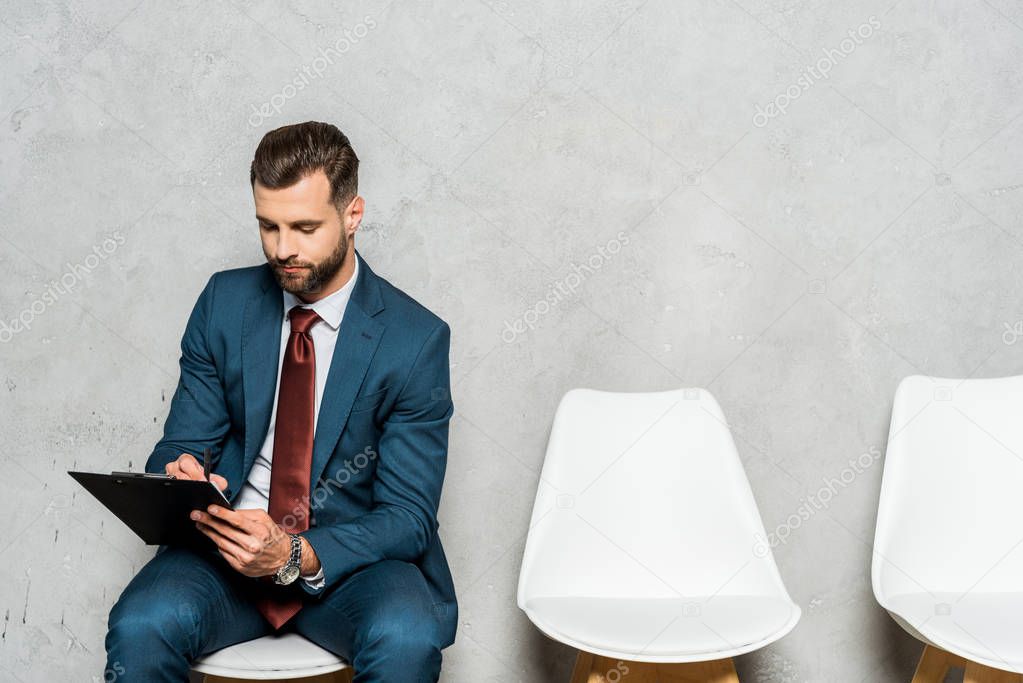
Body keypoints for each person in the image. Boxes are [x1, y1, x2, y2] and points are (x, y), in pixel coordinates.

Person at [103, 121, 457, 682]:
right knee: (141, 626)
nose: (283, 248)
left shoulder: (414, 341)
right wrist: (183, 474)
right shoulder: (225, 303)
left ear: (352, 215)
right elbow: (177, 445)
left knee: (407, 638)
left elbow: (408, 518)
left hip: (349, 567)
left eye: (304, 227)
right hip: (227, 560)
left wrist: (298, 554)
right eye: (268, 226)